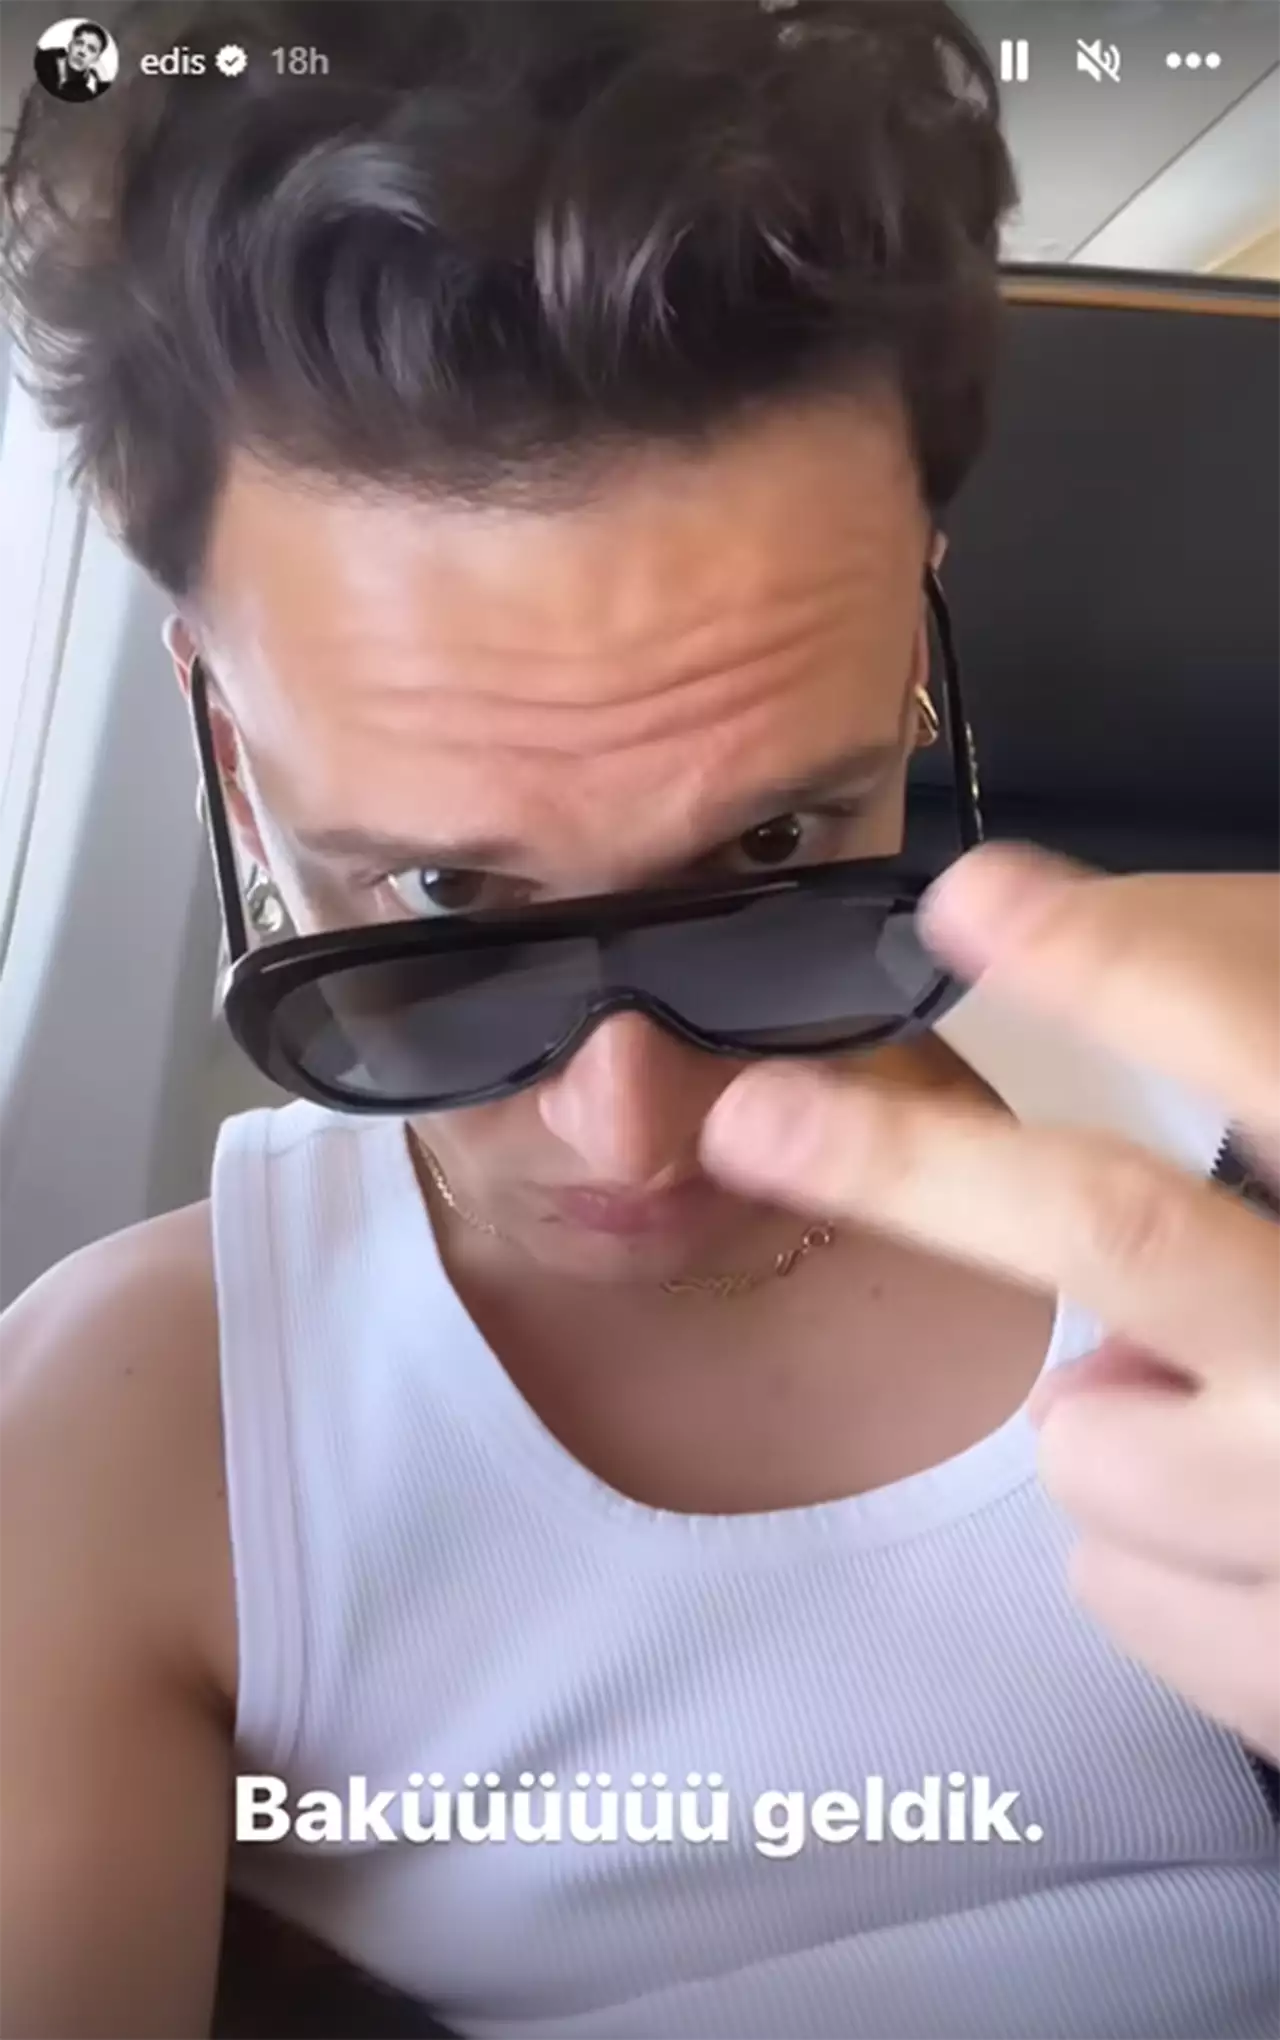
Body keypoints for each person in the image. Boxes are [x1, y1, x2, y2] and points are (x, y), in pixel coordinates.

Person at [0, 3, 1277, 2037]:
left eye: (774, 845)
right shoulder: (117, 1437)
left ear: (915, 631)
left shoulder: (1245, 1070)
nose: (631, 1127)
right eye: (442, 901)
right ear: (228, 751)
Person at [32, 19, 114, 102]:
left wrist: (104, 81)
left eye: (91, 49)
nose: (82, 51)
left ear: (96, 59)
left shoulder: (84, 94)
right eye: (79, 43)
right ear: (70, 45)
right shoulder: (42, 59)